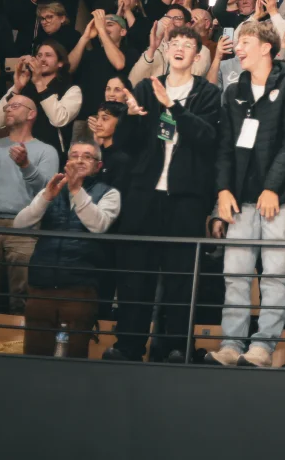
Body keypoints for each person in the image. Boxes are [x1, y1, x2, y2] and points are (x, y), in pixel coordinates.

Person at [106, 26, 221, 364]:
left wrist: (174, 107)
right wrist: (128, 118)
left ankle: (174, 347)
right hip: (144, 194)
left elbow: (207, 137)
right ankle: (128, 345)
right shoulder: (144, 87)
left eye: (188, 44)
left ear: (197, 56)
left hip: (186, 197)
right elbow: (126, 143)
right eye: (174, 43)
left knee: (181, 278)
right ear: (166, 50)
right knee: (134, 275)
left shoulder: (208, 93)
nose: (179, 48)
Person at [208, 20, 285, 368]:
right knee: (235, 274)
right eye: (238, 41)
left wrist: (271, 188)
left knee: (275, 275)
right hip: (239, 200)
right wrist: (221, 191)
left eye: (245, 41)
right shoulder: (233, 90)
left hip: (279, 200)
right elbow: (223, 147)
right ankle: (231, 344)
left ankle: (263, 346)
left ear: (266, 47)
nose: (238, 47)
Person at [12, 141, 120, 358]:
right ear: (66, 162)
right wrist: (45, 199)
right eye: (74, 155)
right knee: (34, 356)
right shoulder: (51, 188)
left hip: (80, 288)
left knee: (74, 358)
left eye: (87, 157)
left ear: (98, 166)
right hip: (41, 286)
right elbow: (20, 224)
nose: (79, 160)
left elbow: (98, 225)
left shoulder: (109, 193)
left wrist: (77, 190)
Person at [0, 94, 59, 319]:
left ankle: (18, 348)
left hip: (25, 228)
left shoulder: (46, 151)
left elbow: (47, 193)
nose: (8, 109)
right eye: (7, 106)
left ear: (31, 114)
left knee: (21, 295)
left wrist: (26, 165)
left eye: (15, 106)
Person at [0, 39, 83, 160]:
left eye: (48, 55)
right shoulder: (24, 86)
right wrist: (16, 88)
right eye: (39, 55)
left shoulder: (71, 89)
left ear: (60, 63)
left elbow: (59, 119)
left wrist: (39, 83)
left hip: (49, 154)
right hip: (17, 151)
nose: (42, 59)